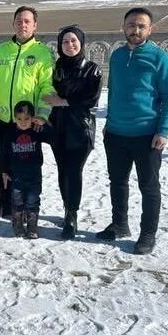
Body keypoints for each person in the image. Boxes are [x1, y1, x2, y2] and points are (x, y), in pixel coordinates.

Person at [96, 7, 168, 255]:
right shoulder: (118, 56)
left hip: (147, 134)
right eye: (132, 25)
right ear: (124, 27)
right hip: (116, 133)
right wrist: (109, 124)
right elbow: (115, 91)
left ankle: (147, 234)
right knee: (118, 182)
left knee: (149, 186)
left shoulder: (159, 58)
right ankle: (120, 224)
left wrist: (163, 130)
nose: (136, 29)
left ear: (150, 29)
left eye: (142, 26)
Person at [0, 6, 55, 219]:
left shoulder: (42, 53)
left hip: (26, 122)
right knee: (3, 163)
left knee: (24, 166)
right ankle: (4, 205)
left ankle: (22, 207)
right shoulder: (1, 50)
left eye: (27, 21)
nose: (23, 25)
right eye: (19, 21)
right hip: (2, 119)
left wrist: (42, 114)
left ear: (35, 25)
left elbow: (47, 86)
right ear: (13, 23)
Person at [43, 25, 102, 239]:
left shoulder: (92, 69)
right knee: (62, 170)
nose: (70, 45)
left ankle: (72, 216)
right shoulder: (56, 67)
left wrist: (63, 101)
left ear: (81, 42)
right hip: (58, 127)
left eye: (74, 41)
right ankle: (67, 207)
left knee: (74, 171)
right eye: (65, 42)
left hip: (80, 128)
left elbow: (91, 100)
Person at [2, 101, 54, 239]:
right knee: (17, 200)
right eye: (19, 119)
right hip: (16, 175)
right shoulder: (10, 133)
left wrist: (44, 124)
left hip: (34, 173)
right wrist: (4, 170)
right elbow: (4, 153)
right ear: (14, 118)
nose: (23, 122)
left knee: (32, 200)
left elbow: (52, 137)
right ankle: (17, 223)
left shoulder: (36, 131)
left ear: (33, 118)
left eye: (26, 118)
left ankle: (32, 226)